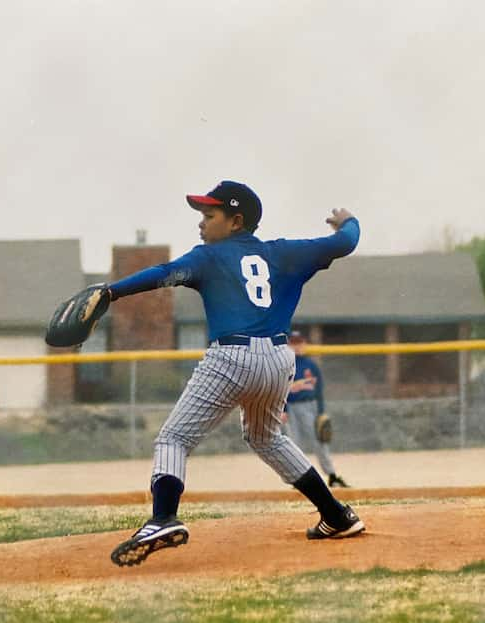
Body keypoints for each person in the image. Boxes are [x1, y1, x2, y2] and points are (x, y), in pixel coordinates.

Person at [107, 180, 364, 566]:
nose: (201, 223)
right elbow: (346, 242)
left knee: (174, 439)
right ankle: (335, 514)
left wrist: (111, 292)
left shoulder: (209, 257)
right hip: (279, 359)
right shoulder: (285, 254)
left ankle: (162, 518)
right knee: (266, 437)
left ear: (235, 220)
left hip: (232, 357)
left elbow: (164, 273)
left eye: (210, 215)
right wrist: (349, 220)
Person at [283, 330, 350, 488]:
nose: (297, 346)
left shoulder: (311, 365)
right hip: (291, 407)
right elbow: (279, 390)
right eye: (293, 343)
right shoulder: (285, 365)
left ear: (305, 344)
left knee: (319, 441)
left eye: (299, 342)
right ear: (287, 345)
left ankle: (332, 475)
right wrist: (283, 409)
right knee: (293, 444)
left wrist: (321, 411)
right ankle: (297, 479)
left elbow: (319, 390)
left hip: (310, 406)